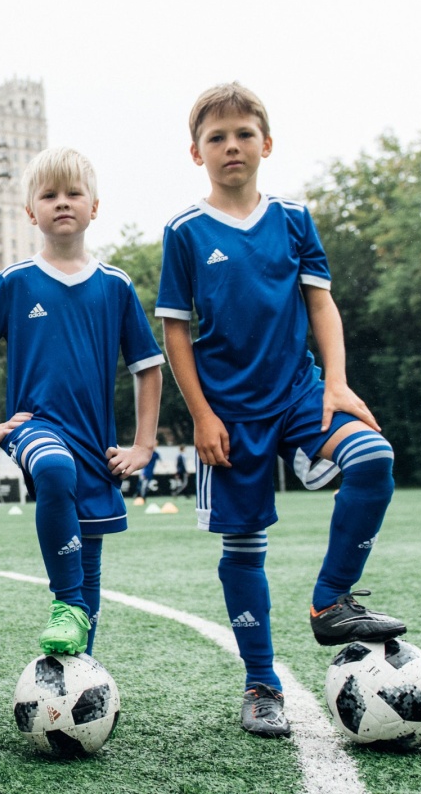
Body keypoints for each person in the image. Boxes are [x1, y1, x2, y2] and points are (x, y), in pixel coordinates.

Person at [156, 83, 406, 739]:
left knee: (373, 457)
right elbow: (175, 333)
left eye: (243, 134)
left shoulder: (293, 218)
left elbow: (321, 303)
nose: (231, 146)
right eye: (217, 137)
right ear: (196, 153)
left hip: (301, 392)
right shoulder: (184, 232)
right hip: (230, 414)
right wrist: (202, 416)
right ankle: (261, 685)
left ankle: (330, 600)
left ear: (266, 144)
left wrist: (339, 385)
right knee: (244, 547)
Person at [0, 147, 164, 658]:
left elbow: (149, 367)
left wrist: (143, 445)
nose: (62, 203)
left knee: (90, 559)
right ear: (31, 212)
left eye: (74, 193)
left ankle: (79, 672)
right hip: (36, 427)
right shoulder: (17, 281)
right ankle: (64, 604)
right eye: (49, 195)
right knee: (52, 468)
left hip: (95, 442)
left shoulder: (115, 286)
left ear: (95, 206)